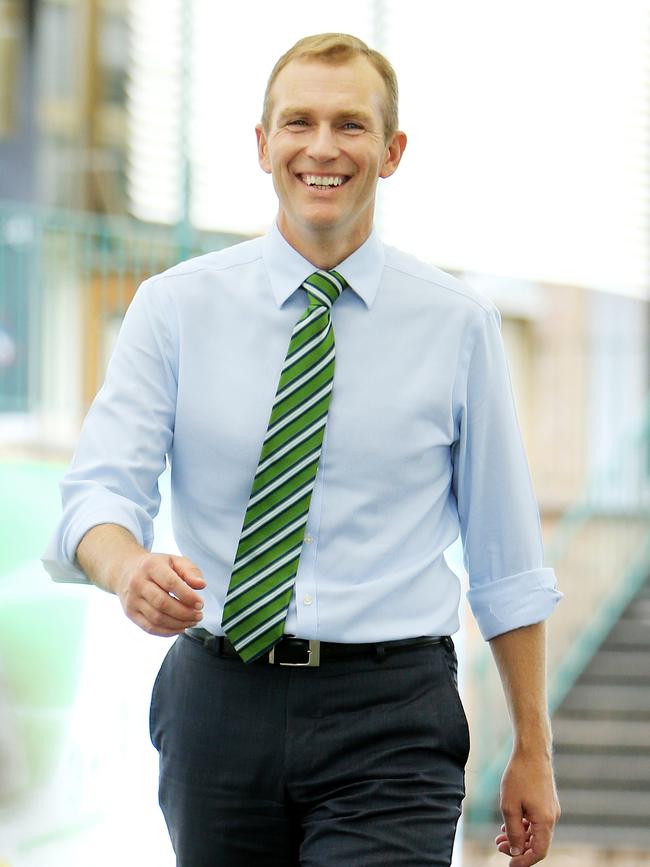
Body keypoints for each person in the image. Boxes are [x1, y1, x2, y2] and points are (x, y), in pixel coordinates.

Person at [42, 32, 562, 867]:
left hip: (391, 713)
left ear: (391, 152)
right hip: (219, 700)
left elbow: (507, 557)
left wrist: (534, 746)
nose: (322, 148)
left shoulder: (458, 326)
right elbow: (97, 497)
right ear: (263, 145)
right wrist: (125, 568)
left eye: (351, 125)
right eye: (299, 122)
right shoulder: (173, 309)